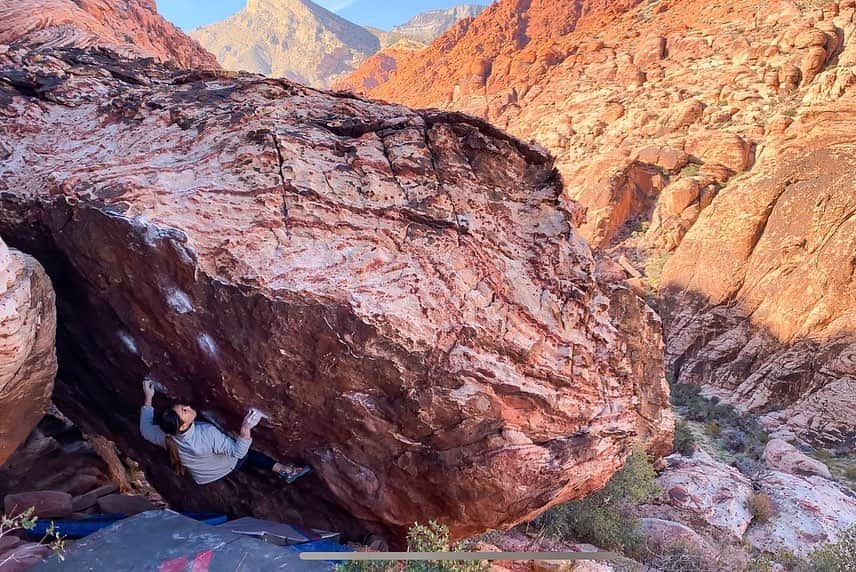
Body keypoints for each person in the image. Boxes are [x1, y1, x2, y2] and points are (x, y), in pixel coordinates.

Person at [140, 378, 310, 485]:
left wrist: (148, 397)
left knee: (240, 455)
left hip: (204, 475)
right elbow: (238, 452)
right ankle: (286, 472)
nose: (188, 407)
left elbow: (145, 430)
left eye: (183, 406)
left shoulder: (164, 435)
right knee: (248, 455)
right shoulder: (207, 433)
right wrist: (245, 429)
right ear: (183, 426)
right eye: (185, 411)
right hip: (223, 467)